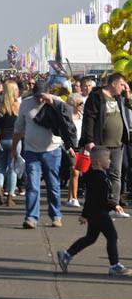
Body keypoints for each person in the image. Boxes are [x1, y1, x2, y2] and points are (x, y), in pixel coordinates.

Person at [57, 146, 132, 276]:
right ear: (97, 161)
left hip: (94, 213)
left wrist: (85, 215)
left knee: (90, 238)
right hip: (100, 214)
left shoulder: (93, 176)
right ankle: (114, 265)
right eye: (107, 159)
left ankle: (67, 254)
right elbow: (100, 199)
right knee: (112, 236)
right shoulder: (100, 179)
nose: (110, 161)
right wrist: (114, 205)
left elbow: (90, 199)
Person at [12, 80, 74, 229]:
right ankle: (31, 217)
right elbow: (19, 127)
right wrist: (14, 148)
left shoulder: (57, 102)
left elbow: (68, 120)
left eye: (42, 96)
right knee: (32, 185)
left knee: (53, 185)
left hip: (52, 150)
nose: (39, 100)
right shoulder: (26, 104)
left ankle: (56, 215)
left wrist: (52, 102)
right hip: (31, 151)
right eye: (37, 96)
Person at [80, 73, 131, 219]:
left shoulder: (119, 97)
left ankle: (114, 206)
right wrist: (89, 139)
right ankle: (93, 207)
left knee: (116, 175)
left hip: (118, 144)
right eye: (122, 85)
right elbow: (89, 118)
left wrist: (127, 94)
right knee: (98, 177)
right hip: (101, 144)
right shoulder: (97, 96)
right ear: (113, 83)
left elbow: (130, 106)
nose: (123, 88)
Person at [0, 80, 21, 206]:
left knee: (2, 167)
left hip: (2, 140)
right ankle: (10, 196)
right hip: (15, 140)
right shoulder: (18, 106)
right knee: (12, 169)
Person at [65, 93, 84, 207]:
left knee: (74, 173)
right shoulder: (68, 117)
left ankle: (69, 197)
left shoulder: (82, 116)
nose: (82, 105)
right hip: (70, 147)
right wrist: (68, 147)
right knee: (75, 171)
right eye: (79, 103)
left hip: (80, 146)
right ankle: (75, 198)